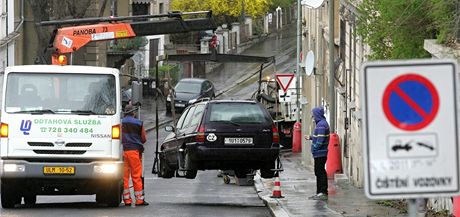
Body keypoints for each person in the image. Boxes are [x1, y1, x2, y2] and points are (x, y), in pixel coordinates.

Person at [122, 104, 149, 206]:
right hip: (134, 152)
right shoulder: (139, 123)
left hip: (123, 151)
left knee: (124, 176)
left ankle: (127, 200)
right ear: (133, 112)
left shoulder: (120, 122)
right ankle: (139, 200)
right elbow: (143, 139)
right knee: (136, 176)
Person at [305, 106, 330, 201]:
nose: (312, 116)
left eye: (313, 114)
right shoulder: (322, 123)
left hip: (320, 153)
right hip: (320, 153)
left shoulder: (321, 125)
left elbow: (320, 140)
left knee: (320, 172)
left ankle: (322, 192)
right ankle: (320, 193)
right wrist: (311, 137)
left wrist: (315, 148)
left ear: (317, 114)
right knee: (319, 172)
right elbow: (319, 136)